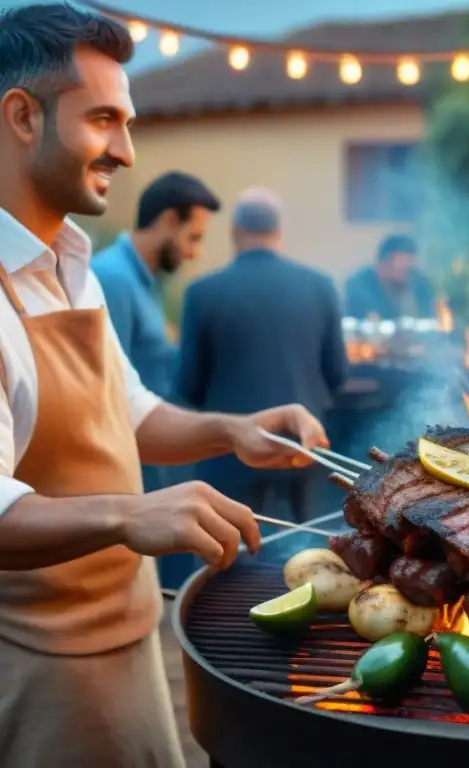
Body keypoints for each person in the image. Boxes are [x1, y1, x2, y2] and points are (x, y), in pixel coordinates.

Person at [0, 6, 329, 765]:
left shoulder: (71, 259)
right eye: (104, 120)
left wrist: (231, 430)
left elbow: (129, 410)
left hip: (131, 634)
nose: (126, 150)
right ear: (22, 116)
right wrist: (129, 514)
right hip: (39, 671)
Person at [177, 188, 347, 523]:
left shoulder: (202, 292)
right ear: (278, 232)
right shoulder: (321, 286)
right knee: (308, 555)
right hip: (303, 446)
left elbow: (189, 386)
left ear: (236, 233)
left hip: (228, 453)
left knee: (226, 556)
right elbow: (338, 374)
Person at [92, 171, 222, 410]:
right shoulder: (113, 279)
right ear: (170, 220)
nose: (195, 253)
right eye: (193, 238)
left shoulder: (148, 281)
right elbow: (109, 387)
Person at [344, 233, 436, 319]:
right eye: (402, 266)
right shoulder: (359, 288)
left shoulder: (421, 285)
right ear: (383, 264)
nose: (408, 273)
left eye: (410, 266)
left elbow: (427, 317)